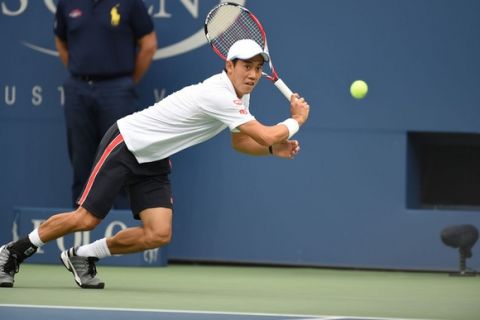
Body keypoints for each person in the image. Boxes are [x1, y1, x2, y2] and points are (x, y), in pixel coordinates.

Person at [0, 39, 310, 289]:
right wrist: (295, 120)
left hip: (154, 156)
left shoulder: (241, 96)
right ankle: (11, 253)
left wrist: (271, 150)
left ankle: (82, 256)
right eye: (247, 67)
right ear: (229, 66)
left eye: (258, 68)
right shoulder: (218, 94)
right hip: (127, 142)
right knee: (86, 219)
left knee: (158, 233)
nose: (253, 75)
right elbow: (265, 132)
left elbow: (242, 141)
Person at [54, 0, 157, 207]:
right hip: (78, 89)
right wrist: (82, 72)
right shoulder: (66, 3)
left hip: (117, 90)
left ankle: (117, 228)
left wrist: (125, 82)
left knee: (118, 162)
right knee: (81, 162)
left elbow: (149, 44)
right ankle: (82, 228)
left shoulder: (131, 3)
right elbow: (61, 42)